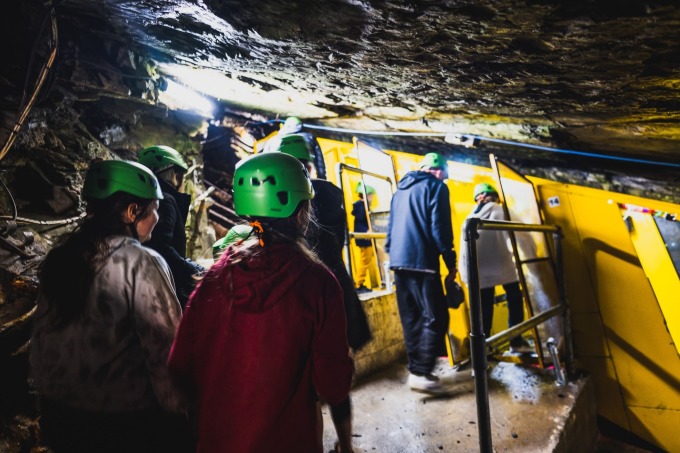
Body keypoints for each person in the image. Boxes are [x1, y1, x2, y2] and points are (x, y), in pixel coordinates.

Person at [168, 152, 355, 453]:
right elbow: (333, 384)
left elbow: (180, 366)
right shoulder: (318, 283)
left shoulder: (215, 278)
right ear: (300, 211)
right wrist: (345, 445)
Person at [30, 159, 192, 453]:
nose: (158, 216)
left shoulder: (61, 257)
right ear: (132, 212)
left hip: (58, 416)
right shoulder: (142, 262)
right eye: (155, 208)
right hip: (118, 425)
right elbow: (166, 353)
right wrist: (182, 417)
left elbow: (43, 342)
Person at [270, 133, 372, 351]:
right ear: (310, 166)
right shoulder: (331, 198)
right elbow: (338, 242)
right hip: (336, 288)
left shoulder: (284, 206)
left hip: (304, 298)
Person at [385, 152, 457, 395]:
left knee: (412, 319)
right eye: (444, 175)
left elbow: (390, 229)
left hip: (399, 262)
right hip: (422, 261)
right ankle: (421, 372)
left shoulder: (400, 191)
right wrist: (450, 260)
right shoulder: (436, 187)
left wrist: (392, 255)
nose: (444, 180)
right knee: (436, 317)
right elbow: (440, 228)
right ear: (438, 170)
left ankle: (418, 370)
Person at [458, 182, 532, 353]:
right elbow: (522, 233)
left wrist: (465, 275)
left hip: (479, 271)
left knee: (484, 308)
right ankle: (516, 341)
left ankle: (483, 349)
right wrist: (531, 257)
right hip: (503, 266)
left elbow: (463, 252)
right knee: (514, 298)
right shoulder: (499, 210)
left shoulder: (469, 217)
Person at [137, 145, 204, 307]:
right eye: (179, 174)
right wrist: (191, 270)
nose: (180, 180)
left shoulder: (143, 197)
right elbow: (160, 246)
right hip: (165, 284)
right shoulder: (165, 200)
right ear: (172, 173)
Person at [351, 181, 376, 293]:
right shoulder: (362, 206)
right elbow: (363, 221)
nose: (372, 197)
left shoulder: (359, 206)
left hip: (363, 237)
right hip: (364, 237)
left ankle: (359, 283)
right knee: (365, 261)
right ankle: (358, 284)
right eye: (371, 195)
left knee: (365, 260)